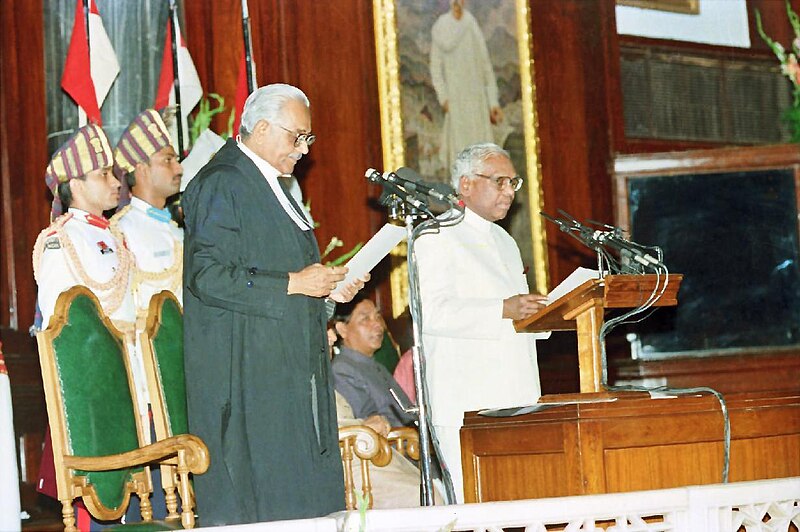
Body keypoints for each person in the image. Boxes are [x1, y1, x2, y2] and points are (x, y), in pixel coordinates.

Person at [181, 83, 366, 525]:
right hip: (244, 376)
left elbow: (287, 278)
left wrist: (326, 290)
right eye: (296, 137)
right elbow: (206, 276)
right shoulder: (222, 181)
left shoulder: (276, 186)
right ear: (261, 128)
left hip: (283, 368)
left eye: (308, 139)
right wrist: (295, 283)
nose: (303, 149)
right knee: (266, 504)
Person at [414, 142, 549, 502]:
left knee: (517, 503)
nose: (509, 192)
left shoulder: (504, 240)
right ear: (466, 184)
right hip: (465, 399)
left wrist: (543, 313)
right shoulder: (435, 236)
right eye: (500, 181)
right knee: (473, 507)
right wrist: (502, 309)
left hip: (516, 393)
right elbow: (431, 313)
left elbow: (515, 311)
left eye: (512, 183)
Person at [31, 124, 148, 525]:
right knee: (99, 505)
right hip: (94, 394)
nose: (116, 183)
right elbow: (61, 331)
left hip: (135, 380)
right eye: (103, 174)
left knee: (138, 499)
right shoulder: (58, 241)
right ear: (74, 184)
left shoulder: (116, 236)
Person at [111, 108, 184, 322]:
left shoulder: (175, 227)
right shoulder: (122, 232)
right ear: (142, 170)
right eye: (168, 160)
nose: (179, 168)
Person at [430, 0, 503, 173]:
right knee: (460, 155)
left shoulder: (471, 24)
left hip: (476, 100)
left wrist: (492, 103)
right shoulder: (442, 27)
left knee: (481, 156)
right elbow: (435, 67)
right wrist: (444, 98)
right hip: (456, 100)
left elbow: (485, 65)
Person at [332, 297, 417, 428]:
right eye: (365, 319)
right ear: (342, 329)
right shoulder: (342, 370)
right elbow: (370, 424)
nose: (378, 324)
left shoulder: (377, 366)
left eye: (377, 316)